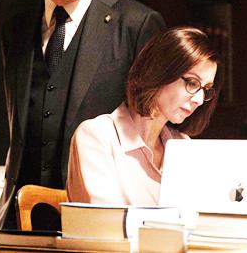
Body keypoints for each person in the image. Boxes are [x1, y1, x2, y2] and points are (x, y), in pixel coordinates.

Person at [0, 0, 166, 230]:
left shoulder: (137, 24)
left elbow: (152, 128)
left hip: (97, 210)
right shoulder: (16, 24)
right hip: (20, 213)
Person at [67, 27, 219, 205]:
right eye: (192, 83)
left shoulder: (182, 144)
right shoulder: (96, 136)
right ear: (160, 72)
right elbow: (106, 220)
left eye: (206, 89)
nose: (199, 100)